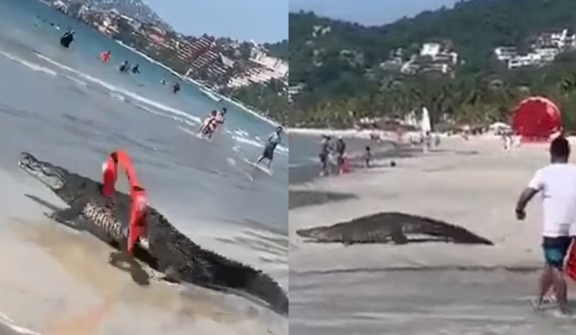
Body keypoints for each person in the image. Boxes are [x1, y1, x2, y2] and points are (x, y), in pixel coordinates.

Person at [515, 136, 576, 314]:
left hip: (555, 229)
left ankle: (564, 309)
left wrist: (519, 209)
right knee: (550, 264)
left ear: (551, 153)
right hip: (575, 227)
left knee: (555, 266)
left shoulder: (544, 173)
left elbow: (527, 193)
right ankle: (539, 300)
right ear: (568, 153)